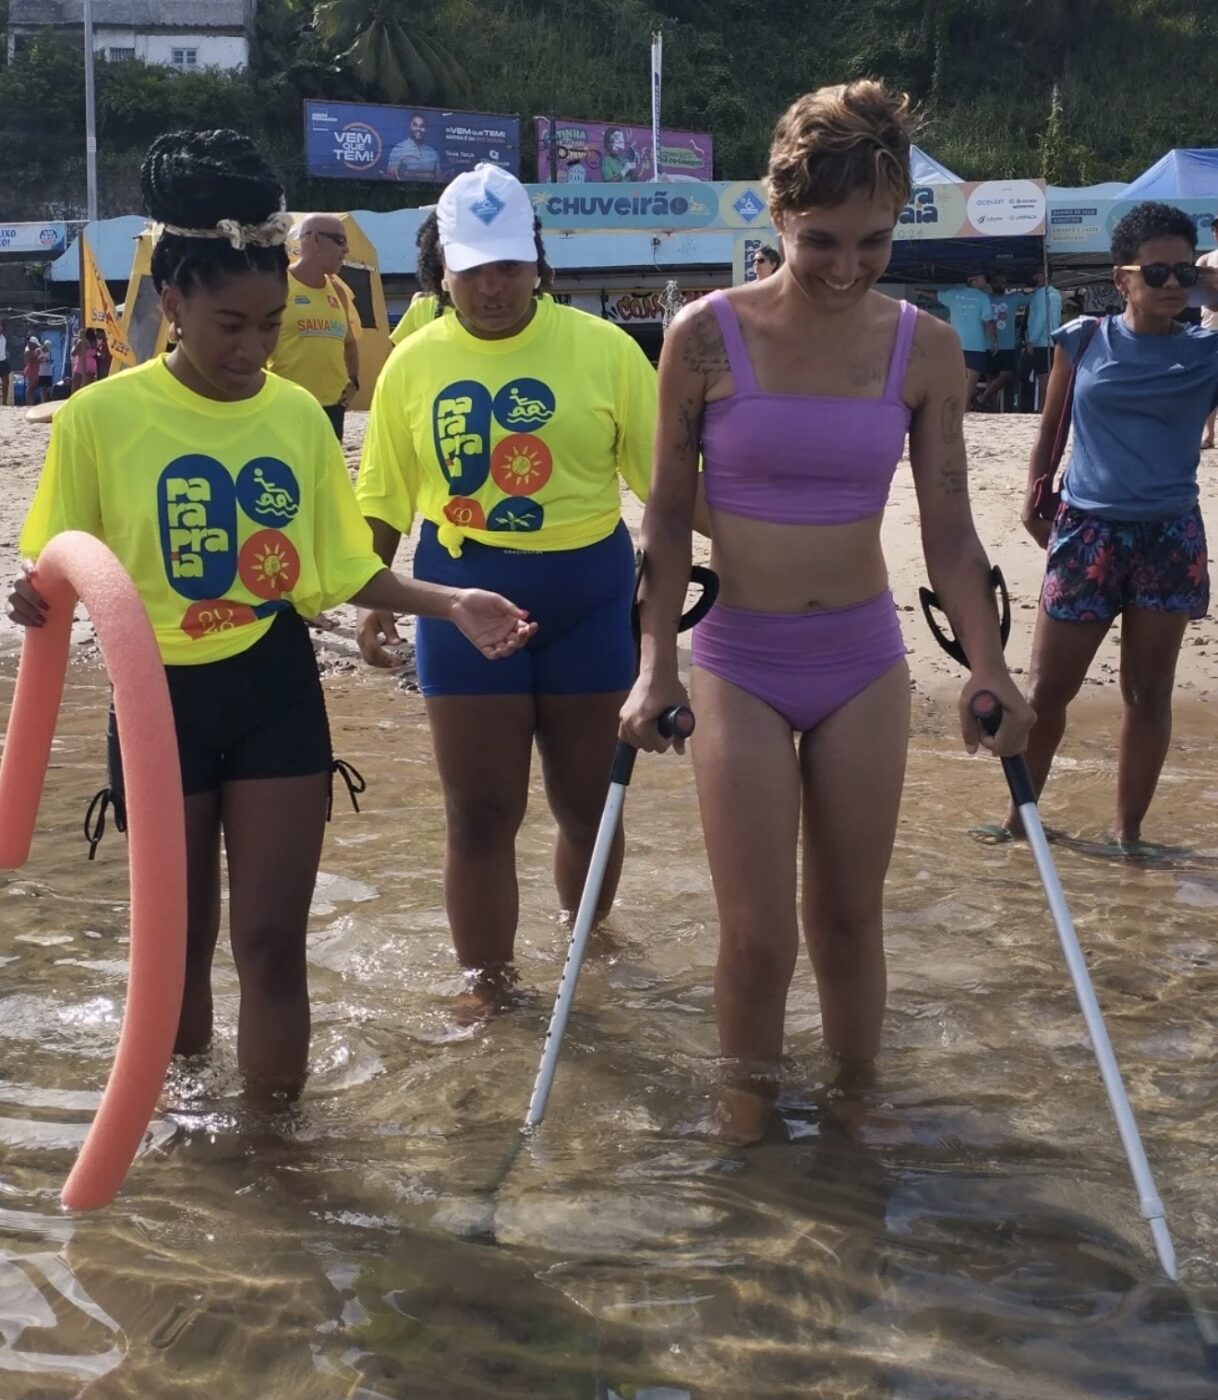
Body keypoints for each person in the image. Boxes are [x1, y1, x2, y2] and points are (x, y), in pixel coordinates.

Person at [7, 129, 533, 1101]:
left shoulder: (293, 415)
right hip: (155, 704)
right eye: (230, 326)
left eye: (270, 324)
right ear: (173, 304)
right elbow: (59, 567)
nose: (254, 350)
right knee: (177, 943)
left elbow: (336, 570)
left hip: (273, 689)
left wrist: (447, 602)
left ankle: (276, 1149)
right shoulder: (97, 418)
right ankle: (182, 1134)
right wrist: (30, 592)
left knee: (272, 943)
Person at [620, 81, 1033, 1125]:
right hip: (740, 662)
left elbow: (950, 530)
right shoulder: (702, 338)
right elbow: (664, 519)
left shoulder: (926, 348)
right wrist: (654, 666)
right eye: (821, 242)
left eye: (873, 242)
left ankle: (856, 1131)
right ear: (777, 215)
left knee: (849, 923)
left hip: (861, 661)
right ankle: (745, 1134)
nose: (847, 268)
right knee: (758, 937)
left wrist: (989, 667)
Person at [355, 162, 657, 994]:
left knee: (588, 806)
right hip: (461, 599)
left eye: (509, 265)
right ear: (440, 271)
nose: (492, 286)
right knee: (480, 814)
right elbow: (382, 492)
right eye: (472, 269)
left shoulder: (607, 351)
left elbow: (667, 489)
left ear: (537, 260)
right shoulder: (412, 364)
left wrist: (753, 551)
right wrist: (375, 598)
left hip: (590, 599)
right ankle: (488, 990)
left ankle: (584, 963)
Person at [1011, 201, 1217, 849]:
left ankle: (1127, 834)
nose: (1173, 284)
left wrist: (1214, 284)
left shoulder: (1209, 351)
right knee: (1046, 692)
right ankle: (1021, 823)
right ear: (1121, 278)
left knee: (1148, 694)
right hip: (1087, 535)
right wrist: (1034, 498)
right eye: (1156, 272)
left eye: (1185, 271)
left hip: (1168, 538)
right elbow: (1050, 430)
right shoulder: (1082, 340)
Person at [266, 213, 359, 441]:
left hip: (332, 408)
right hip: (286, 406)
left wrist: (354, 381)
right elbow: (254, 345)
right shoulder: (278, 285)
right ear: (315, 239)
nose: (346, 250)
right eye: (340, 241)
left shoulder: (338, 291)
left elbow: (349, 342)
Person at [937, 271, 996, 405]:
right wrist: (993, 341)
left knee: (956, 375)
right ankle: (964, 405)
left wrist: (919, 291)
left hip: (955, 343)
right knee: (973, 375)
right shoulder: (983, 297)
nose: (986, 281)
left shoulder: (953, 294)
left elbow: (936, 295)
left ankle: (954, 404)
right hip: (975, 344)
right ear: (973, 280)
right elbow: (988, 321)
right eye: (983, 278)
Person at [977, 270, 1026, 411]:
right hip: (988, 344)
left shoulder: (1014, 298)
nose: (1000, 285)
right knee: (990, 377)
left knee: (1008, 374)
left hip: (1007, 345)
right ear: (991, 284)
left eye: (1003, 282)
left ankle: (982, 398)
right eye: (997, 282)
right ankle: (990, 408)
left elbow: (1033, 297)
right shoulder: (984, 299)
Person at [1023, 266, 1062, 410]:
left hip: (1040, 342)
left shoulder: (1042, 295)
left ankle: (1042, 408)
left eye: (1036, 274)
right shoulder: (1055, 294)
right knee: (1047, 376)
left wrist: (1031, 340)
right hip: (1051, 340)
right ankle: (1044, 407)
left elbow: (1040, 318)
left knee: (1042, 377)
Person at [1198, 215, 1218, 449]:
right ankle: (1209, 433)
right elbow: (1202, 297)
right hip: (1212, 330)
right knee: (1209, 385)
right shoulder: (1205, 260)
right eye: (1216, 228)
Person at [387, 114, 441, 181]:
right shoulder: (398, 149)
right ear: (410, 127)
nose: (418, 129)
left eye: (422, 126)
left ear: (426, 129)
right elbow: (390, 178)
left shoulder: (433, 153)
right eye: (415, 125)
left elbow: (438, 179)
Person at [71, 328, 99, 392]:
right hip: (92, 364)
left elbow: (73, 353)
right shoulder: (95, 342)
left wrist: (75, 345)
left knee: (75, 386)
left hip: (82, 363)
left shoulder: (82, 342)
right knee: (88, 387)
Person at [23, 336, 41, 406]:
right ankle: (29, 404)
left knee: (32, 388)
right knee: (30, 388)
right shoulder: (28, 351)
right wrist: (37, 358)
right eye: (35, 344)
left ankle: (31, 403)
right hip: (31, 370)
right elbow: (29, 361)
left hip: (34, 369)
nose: (36, 346)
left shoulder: (33, 350)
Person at [0, 320, 9, 405]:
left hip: (3, 360)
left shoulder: (3, 337)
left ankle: (4, 403)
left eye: (1, 326)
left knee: (6, 382)